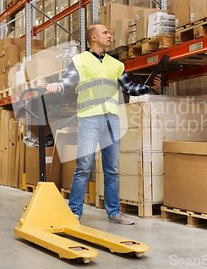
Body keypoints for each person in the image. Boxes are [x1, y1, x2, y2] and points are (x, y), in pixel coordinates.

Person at [46, 24, 161, 225]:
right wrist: (57, 86)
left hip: (112, 120)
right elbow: (66, 82)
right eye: (105, 32)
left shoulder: (116, 64)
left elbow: (129, 88)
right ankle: (74, 213)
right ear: (93, 37)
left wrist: (148, 86)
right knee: (83, 167)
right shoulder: (79, 61)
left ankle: (114, 213)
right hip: (89, 119)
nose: (110, 35)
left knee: (112, 169)